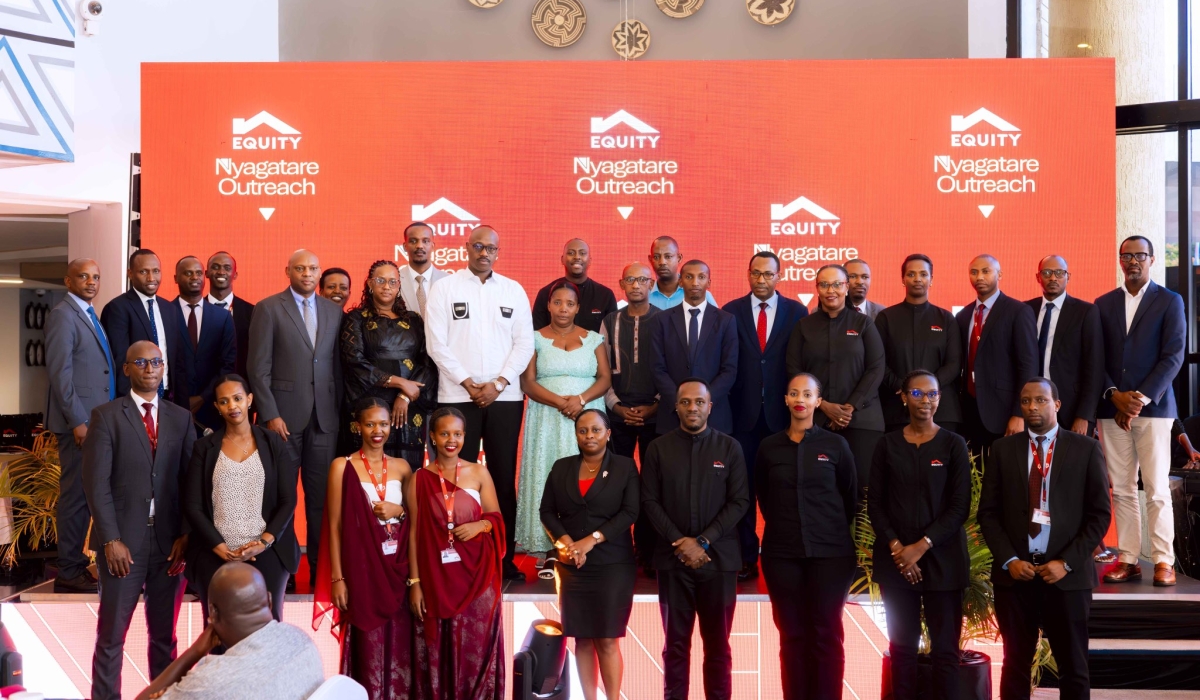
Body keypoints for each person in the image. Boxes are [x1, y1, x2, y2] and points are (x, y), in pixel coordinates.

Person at [978, 378, 1112, 700]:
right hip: (1016, 577)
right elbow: (989, 514)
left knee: (1074, 667)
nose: (1032, 407)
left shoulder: (1086, 448)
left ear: (1057, 404)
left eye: (1040, 400)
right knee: (1014, 665)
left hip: (1066, 578)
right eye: (1025, 401)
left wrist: (1065, 563)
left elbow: (1099, 516)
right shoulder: (1002, 449)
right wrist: (1009, 560)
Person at [82, 341, 196, 700]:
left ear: (163, 368)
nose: (150, 368)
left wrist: (187, 535)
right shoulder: (106, 416)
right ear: (127, 369)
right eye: (142, 362)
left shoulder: (181, 418)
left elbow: (192, 481)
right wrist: (109, 539)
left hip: (169, 546)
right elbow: (95, 483)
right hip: (122, 546)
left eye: (157, 362)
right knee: (111, 636)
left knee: (164, 638)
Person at [424, 225, 534, 582]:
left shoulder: (513, 290)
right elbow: (436, 344)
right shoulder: (444, 288)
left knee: (502, 478)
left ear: (498, 253)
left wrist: (499, 383)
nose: (484, 252)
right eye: (478, 246)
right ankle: (453, 554)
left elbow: (524, 345)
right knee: (453, 480)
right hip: (458, 396)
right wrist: (469, 382)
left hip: (505, 397)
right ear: (466, 248)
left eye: (491, 248)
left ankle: (503, 559)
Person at [641, 378, 748, 700]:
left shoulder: (730, 447)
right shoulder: (658, 448)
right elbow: (649, 502)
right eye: (686, 402)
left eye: (699, 402)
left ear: (710, 407)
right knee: (675, 647)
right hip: (672, 563)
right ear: (675, 406)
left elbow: (740, 501)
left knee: (718, 647)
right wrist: (680, 542)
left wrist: (702, 541)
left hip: (719, 562)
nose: (692, 408)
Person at [868, 370, 971, 700]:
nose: (925, 400)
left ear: (939, 398)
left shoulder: (953, 445)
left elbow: (959, 507)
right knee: (902, 649)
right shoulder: (886, 444)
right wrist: (900, 549)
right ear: (903, 396)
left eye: (932, 394)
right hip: (896, 563)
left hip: (944, 561)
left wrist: (921, 546)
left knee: (945, 651)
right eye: (917, 394)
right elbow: (876, 505)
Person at [757, 373, 857, 700]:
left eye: (807, 393)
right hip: (782, 555)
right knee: (792, 636)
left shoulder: (836, 445)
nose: (800, 398)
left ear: (818, 400)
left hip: (832, 555)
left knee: (827, 634)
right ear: (786, 400)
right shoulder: (769, 447)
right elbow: (765, 498)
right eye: (793, 393)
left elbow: (849, 497)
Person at [247, 249, 343, 584]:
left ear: (320, 273)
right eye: (300, 268)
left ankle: (320, 572)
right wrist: (270, 414)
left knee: (322, 503)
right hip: (282, 423)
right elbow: (258, 371)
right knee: (279, 501)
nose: (307, 273)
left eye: (313, 268)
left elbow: (336, 368)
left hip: (325, 422)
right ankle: (280, 573)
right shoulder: (269, 308)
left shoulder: (335, 311)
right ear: (287, 270)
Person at [1095, 235, 1186, 586]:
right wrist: (1115, 395)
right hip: (1111, 408)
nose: (1133, 261)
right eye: (1127, 255)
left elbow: (1174, 355)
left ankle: (1164, 560)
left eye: (1140, 255)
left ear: (1151, 260)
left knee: (1157, 487)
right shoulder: (1103, 304)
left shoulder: (1170, 301)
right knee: (1121, 488)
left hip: (1155, 409)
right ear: (1120, 261)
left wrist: (1139, 399)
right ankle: (1129, 559)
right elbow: (1096, 358)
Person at [314, 397, 416, 698]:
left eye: (383, 424)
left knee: (401, 645)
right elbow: (333, 526)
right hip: (359, 569)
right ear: (358, 426)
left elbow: (415, 518)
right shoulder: (341, 466)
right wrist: (337, 578)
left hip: (397, 568)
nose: (377, 430)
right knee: (366, 646)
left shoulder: (402, 467)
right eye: (370, 424)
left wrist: (398, 511)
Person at [539, 409, 639, 700]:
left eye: (596, 430)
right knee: (582, 639)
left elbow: (630, 511)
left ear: (608, 433)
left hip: (613, 564)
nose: (589, 436)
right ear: (576, 435)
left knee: (607, 640)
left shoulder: (624, 467)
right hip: (572, 565)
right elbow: (547, 511)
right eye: (583, 431)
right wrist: (568, 543)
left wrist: (591, 541)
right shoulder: (561, 467)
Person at [407, 407, 506, 699]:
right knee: (439, 648)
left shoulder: (478, 471)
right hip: (436, 578)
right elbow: (413, 534)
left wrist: (480, 526)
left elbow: (497, 518)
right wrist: (415, 584)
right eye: (445, 433)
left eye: (458, 434)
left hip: (479, 576)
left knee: (477, 647)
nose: (452, 439)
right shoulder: (419, 479)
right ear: (433, 438)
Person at [184, 374, 298, 623]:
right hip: (216, 553)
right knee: (218, 633)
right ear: (216, 407)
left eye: (237, 398)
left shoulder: (273, 443)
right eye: (224, 402)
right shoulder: (204, 447)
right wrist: (220, 548)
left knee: (268, 631)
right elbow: (193, 507)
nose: (232, 406)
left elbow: (288, 500)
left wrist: (264, 542)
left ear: (249, 400)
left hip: (267, 551)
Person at [722, 251, 808, 581]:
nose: (761, 280)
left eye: (768, 274)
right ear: (748, 274)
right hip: (741, 418)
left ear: (779, 276)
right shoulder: (730, 312)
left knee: (781, 490)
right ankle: (745, 556)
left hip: (782, 417)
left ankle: (780, 553)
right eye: (756, 273)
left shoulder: (797, 312)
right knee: (741, 490)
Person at [517, 280, 611, 571]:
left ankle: (587, 541)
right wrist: (563, 403)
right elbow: (528, 383)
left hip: (586, 418)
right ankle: (549, 546)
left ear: (578, 308)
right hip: (547, 418)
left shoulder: (594, 338)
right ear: (548, 305)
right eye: (557, 302)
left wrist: (580, 400)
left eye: (570, 304)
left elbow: (605, 379)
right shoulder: (533, 338)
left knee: (586, 477)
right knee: (548, 476)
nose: (563, 308)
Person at [134, 563, 324, 700]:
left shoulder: (209, 680)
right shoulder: (301, 641)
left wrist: (195, 651)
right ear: (269, 599)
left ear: (213, 612)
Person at [785, 263, 884, 494]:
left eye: (838, 284)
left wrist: (849, 407)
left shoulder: (864, 323)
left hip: (862, 422)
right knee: (820, 492)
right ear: (817, 288)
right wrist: (825, 406)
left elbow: (876, 368)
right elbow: (794, 371)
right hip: (816, 421)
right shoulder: (803, 326)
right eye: (825, 284)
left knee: (862, 493)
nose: (832, 290)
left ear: (847, 287)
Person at [45, 259, 112, 594]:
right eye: (84, 276)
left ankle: (76, 566)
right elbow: (61, 376)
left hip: (94, 422)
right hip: (79, 425)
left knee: (86, 497)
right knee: (75, 498)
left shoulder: (87, 314)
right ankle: (69, 571)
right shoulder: (63, 315)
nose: (91, 282)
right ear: (68, 280)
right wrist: (79, 421)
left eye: (96, 277)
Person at [340, 259, 438, 467]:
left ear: (399, 285)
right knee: (366, 472)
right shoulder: (356, 319)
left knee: (408, 471)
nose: (387, 286)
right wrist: (399, 383)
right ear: (369, 284)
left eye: (393, 282)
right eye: (381, 280)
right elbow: (354, 362)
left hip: (409, 407)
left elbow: (427, 361)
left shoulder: (415, 320)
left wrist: (405, 395)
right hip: (370, 406)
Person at [600, 261, 662, 575]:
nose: (636, 285)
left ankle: (650, 552)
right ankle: (619, 549)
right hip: (617, 413)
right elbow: (601, 371)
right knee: (617, 485)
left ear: (651, 284)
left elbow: (671, 369)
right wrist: (616, 406)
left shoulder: (666, 321)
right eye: (630, 280)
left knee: (654, 484)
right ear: (621, 284)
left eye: (642, 279)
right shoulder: (609, 321)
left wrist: (656, 406)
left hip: (656, 414)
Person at [954, 254, 1039, 457]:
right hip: (970, 412)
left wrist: (1019, 414)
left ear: (1000, 274)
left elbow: (1028, 366)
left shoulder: (1018, 311)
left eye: (986, 271)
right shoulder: (963, 316)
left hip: (1005, 413)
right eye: (974, 272)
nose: (979, 277)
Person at [875, 254, 962, 434]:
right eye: (911, 274)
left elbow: (954, 364)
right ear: (903, 279)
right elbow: (878, 361)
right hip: (896, 410)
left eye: (923, 274)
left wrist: (928, 392)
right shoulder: (886, 318)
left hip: (942, 412)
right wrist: (903, 388)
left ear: (931, 279)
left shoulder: (946, 318)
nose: (917, 279)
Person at [649, 260, 738, 435]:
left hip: (715, 415)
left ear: (709, 282)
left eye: (701, 277)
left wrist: (703, 402)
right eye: (689, 277)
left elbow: (729, 369)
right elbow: (657, 368)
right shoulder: (662, 320)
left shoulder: (726, 320)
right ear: (680, 281)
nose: (695, 282)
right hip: (672, 415)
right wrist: (680, 401)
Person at [1025, 255, 1103, 435]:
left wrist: (1084, 415)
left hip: (1072, 408)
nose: (1053, 278)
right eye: (1047, 272)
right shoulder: (1025, 310)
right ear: (1038, 277)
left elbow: (1094, 367)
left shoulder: (1086, 312)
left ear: (1069, 277)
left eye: (1059, 273)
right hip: (1032, 405)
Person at [101, 249, 183, 400]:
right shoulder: (117, 308)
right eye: (143, 272)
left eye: (156, 271)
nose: (151, 278)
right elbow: (120, 360)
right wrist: (129, 401)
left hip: (167, 397)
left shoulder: (170, 309)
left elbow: (176, 358)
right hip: (135, 398)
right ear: (130, 274)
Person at [170, 255, 235, 432]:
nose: (194, 277)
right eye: (188, 273)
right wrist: (182, 399)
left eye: (198, 273)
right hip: (173, 407)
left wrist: (202, 397)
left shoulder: (222, 317)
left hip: (212, 408)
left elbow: (227, 364)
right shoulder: (164, 312)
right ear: (176, 278)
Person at [531, 238, 619, 332]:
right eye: (571, 253)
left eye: (582, 253)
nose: (577, 257)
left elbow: (613, 336)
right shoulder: (546, 293)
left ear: (590, 260)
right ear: (562, 259)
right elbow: (537, 334)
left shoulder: (605, 295)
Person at [205, 251, 255, 379]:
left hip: (240, 386)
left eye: (227, 268)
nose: (221, 272)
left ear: (235, 275)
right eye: (215, 267)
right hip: (201, 391)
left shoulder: (252, 312)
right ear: (206, 273)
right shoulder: (194, 311)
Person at [647, 236, 716, 309]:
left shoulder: (702, 295)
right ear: (650, 259)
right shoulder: (643, 296)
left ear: (679, 258)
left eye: (668, 256)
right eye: (656, 257)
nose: (662, 262)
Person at [398, 221, 448, 319]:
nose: (420, 246)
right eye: (413, 241)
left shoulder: (448, 281)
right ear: (405, 246)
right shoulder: (394, 281)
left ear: (433, 246)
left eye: (425, 241)